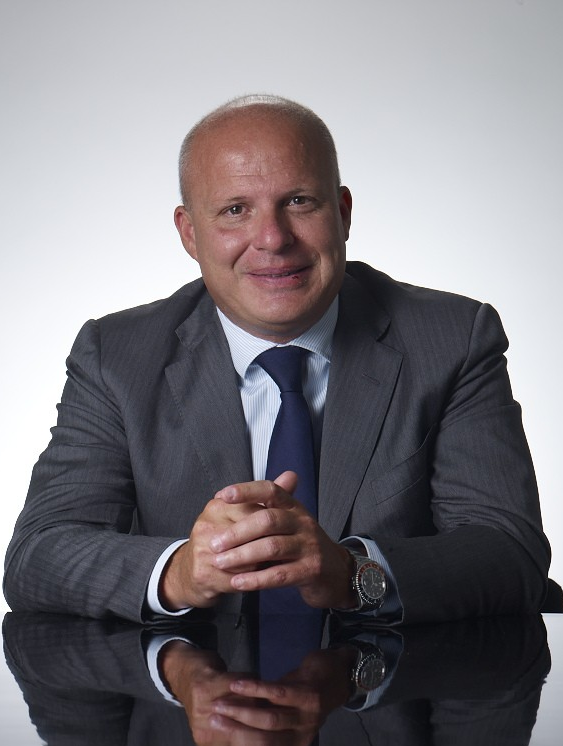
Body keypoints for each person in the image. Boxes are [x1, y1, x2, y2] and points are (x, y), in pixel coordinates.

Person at [3, 95, 551, 625]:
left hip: (394, 683)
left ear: (343, 213)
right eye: (235, 210)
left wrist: (353, 573)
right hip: (193, 681)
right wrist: (180, 572)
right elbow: (39, 555)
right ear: (190, 233)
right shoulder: (117, 356)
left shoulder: (452, 340)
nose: (272, 238)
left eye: (299, 202)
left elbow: (509, 553)